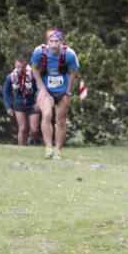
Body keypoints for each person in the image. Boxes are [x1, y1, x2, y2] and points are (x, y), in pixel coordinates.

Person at [30, 28, 79, 159]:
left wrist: (67, 93)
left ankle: (58, 150)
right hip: (47, 90)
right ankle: (48, 148)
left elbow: (73, 73)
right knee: (46, 114)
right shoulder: (39, 52)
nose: (54, 44)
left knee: (61, 120)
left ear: (61, 42)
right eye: (51, 41)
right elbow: (34, 68)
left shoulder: (69, 54)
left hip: (62, 90)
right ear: (47, 42)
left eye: (57, 41)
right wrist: (41, 88)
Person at [3, 57, 40, 145]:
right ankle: (21, 148)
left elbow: (40, 89)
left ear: (26, 66)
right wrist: (8, 107)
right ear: (15, 65)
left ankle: (30, 140)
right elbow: (5, 91)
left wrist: (38, 103)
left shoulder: (33, 75)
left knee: (34, 130)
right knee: (22, 128)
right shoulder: (11, 77)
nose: (20, 69)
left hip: (32, 104)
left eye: (22, 67)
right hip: (19, 104)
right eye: (18, 67)